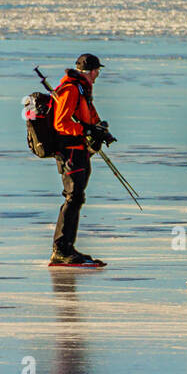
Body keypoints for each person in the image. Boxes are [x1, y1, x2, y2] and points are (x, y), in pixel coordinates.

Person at [49, 53, 113, 266]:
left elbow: (89, 115)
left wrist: (99, 130)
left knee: (77, 197)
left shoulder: (82, 89)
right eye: (97, 72)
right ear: (92, 71)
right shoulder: (71, 89)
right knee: (73, 197)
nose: (97, 76)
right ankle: (60, 249)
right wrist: (85, 129)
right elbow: (61, 123)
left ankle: (67, 247)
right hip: (70, 151)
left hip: (80, 150)